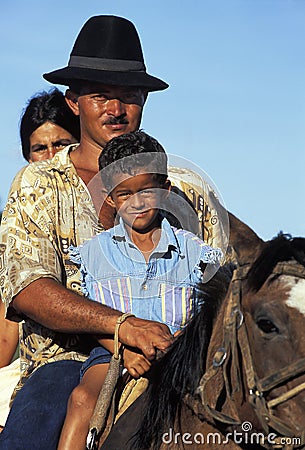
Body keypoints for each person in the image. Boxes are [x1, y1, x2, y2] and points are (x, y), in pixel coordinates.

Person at [0, 15, 173, 449]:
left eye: (128, 96)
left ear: (143, 101)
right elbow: (27, 287)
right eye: (101, 96)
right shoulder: (38, 183)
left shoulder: (183, 188)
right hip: (63, 363)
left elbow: (220, 278)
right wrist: (124, 328)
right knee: (32, 427)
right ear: (74, 102)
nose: (116, 109)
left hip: (171, 354)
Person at [58, 130, 222, 449]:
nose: (136, 203)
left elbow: (205, 315)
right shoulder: (94, 254)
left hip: (180, 357)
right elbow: (91, 316)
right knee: (82, 399)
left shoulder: (194, 253)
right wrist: (123, 347)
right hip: (112, 354)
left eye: (146, 191)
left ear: (166, 190)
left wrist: (178, 349)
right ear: (109, 197)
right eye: (123, 194)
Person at [0, 88, 81, 431]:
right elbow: (6, 339)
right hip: (35, 364)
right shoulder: (20, 215)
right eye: (39, 148)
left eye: (60, 144)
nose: (50, 156)